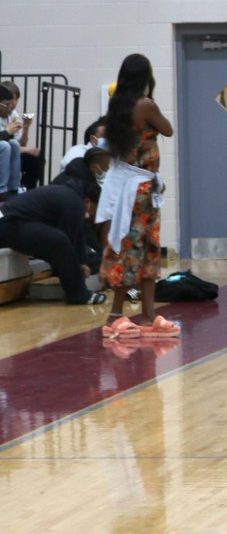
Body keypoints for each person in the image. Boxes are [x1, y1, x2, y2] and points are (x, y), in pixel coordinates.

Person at [97, 54, 178, 339]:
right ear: (146, 76)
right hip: (139, 192)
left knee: (145, 249)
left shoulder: (117, 105)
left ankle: (147, 312)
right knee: (133, 250)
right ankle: (115, 315)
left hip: (136, 187)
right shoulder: (145, 105)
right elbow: (167, 128)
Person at [0, 172, 107, 306]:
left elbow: (77, 233)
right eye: (95, 210)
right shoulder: (74, 204)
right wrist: (77, 268)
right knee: (58, 241)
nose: (92, 215)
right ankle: (78, 294)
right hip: (8, 224)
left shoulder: (70, 196)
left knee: (58, 240)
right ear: (87, 201)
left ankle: (77, 291)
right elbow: (67, 243)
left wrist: (81, 262)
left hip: (10, 223)